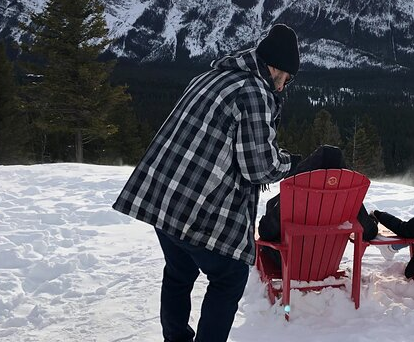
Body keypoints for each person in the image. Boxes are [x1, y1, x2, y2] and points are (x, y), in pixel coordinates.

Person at [113, 24, 301, 342]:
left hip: (160, 198)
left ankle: (175, 338)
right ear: (274, 68)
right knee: (230, 276)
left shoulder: (211, 76)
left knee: (178, 271)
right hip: (194, 206)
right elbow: (259, 167)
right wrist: (291, 163)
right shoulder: (254, 90)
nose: (282, 88)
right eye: (284, 79)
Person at [257, 145, 378, 266]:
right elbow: (369, 232)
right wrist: (373, 220)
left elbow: (266, 232)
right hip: (326, 265)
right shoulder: (348, 196)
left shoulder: (294, 195)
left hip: (290, 264)